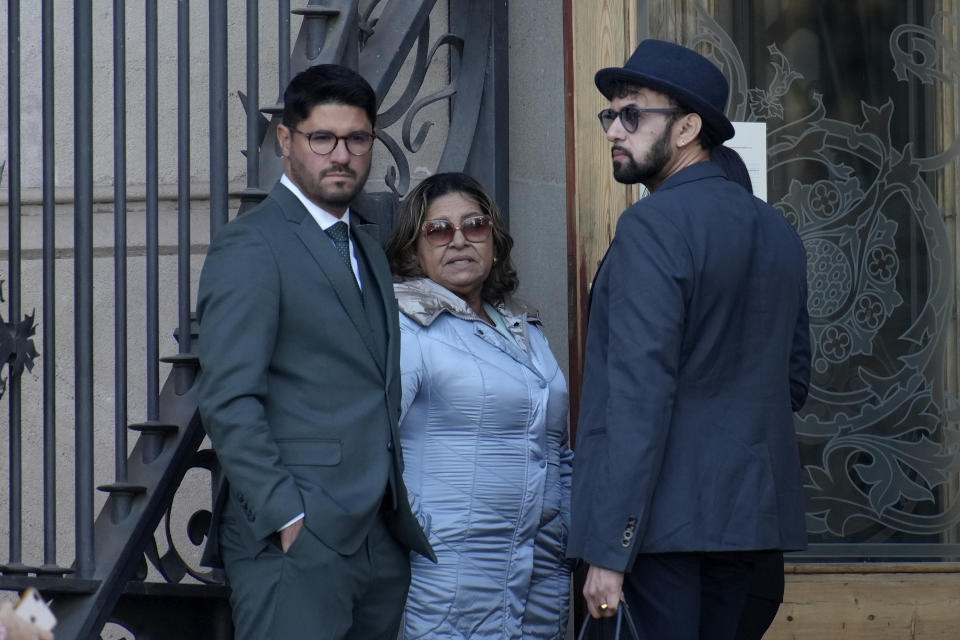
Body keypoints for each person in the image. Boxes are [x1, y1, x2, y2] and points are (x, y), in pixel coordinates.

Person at [567, 39, 811, 640]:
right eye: (610, 115)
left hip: (659, 541)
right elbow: (794, 382)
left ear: (688, 128)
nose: (613, 131)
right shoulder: (777, 230)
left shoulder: (651, 224)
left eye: (632, 113)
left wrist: (609, 548)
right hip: (751, 536)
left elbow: (637, 396)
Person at [196, 64, 434, 640]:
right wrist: (286, 515)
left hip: (378, 536)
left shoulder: (368, 249)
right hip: (299, 539)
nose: (342, 155)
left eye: (357, 139)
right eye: (322, 138)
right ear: (286, 140)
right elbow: (229, 399)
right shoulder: (251, 244)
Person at [384, 172, 573, 639]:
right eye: (439, 229)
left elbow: (558, 447)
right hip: (448, 570)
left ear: (494, 238)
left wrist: (570, 529)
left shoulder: (522, 325)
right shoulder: (406, 327)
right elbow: (372, 444)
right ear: (413, 248)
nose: (459, 240)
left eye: (475, 225)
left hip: (540, 567)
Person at [710, 144, 791, 640]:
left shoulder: (657, 242)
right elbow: (796, 381)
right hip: (761, 520)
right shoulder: (782, 243)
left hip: (685, 540)